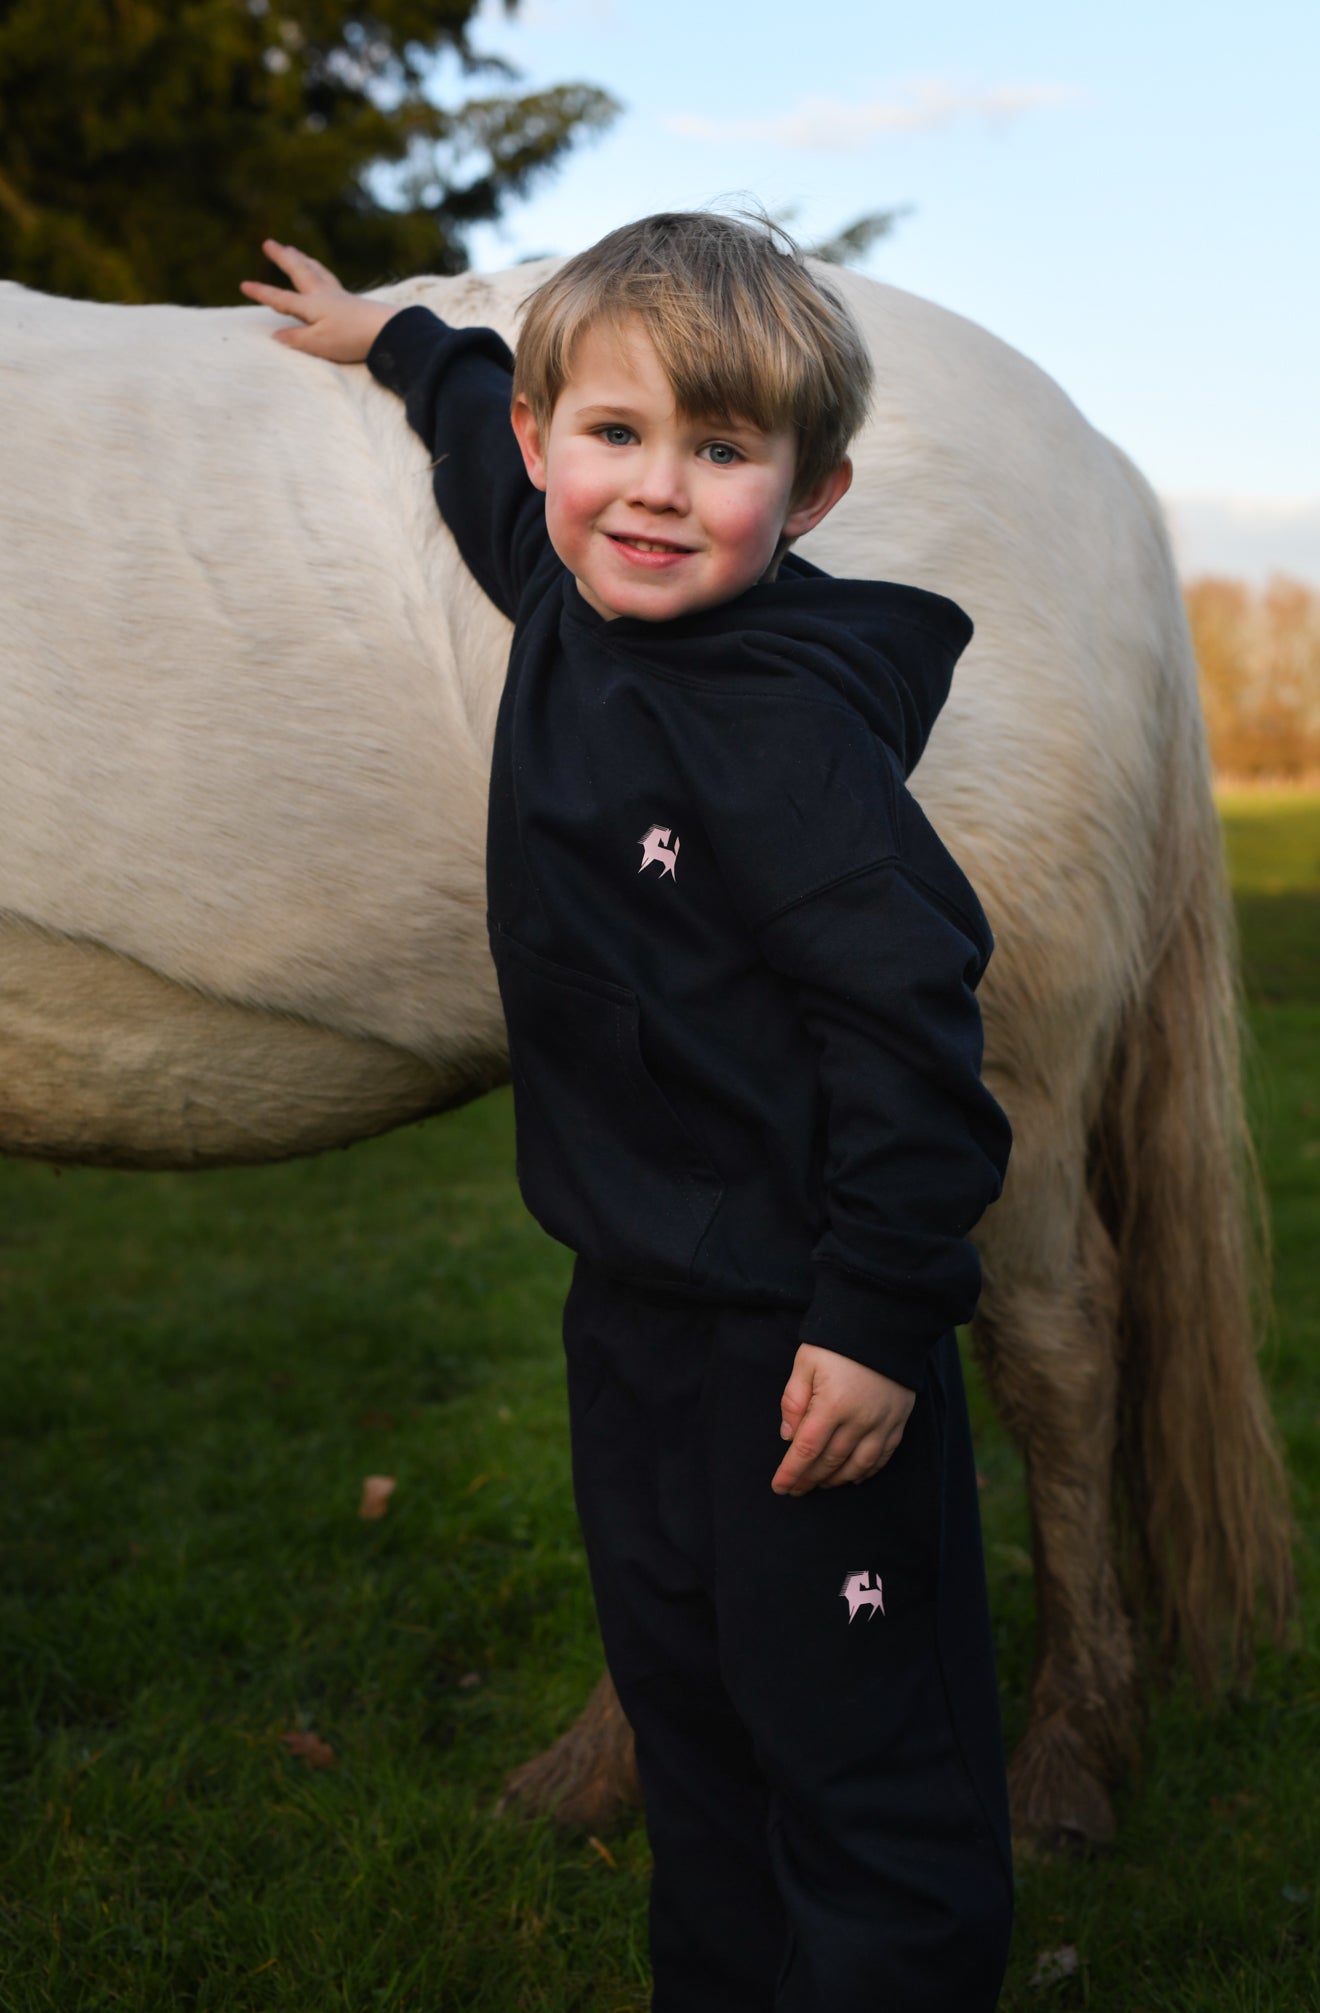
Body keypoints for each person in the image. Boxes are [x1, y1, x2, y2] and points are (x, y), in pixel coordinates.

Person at [240, 211, 1015, 2011]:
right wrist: (400, 338)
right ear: (547, 446)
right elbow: (483, 465)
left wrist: (879, 1320)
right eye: (616, 436)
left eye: (720, 452)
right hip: (635, 1314)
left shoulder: (786, 741)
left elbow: (916, 1035)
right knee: (694, 1712)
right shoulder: (568, 587)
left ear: (808, 499)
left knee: (854, 1750)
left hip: (810, 1341)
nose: (656, 495)